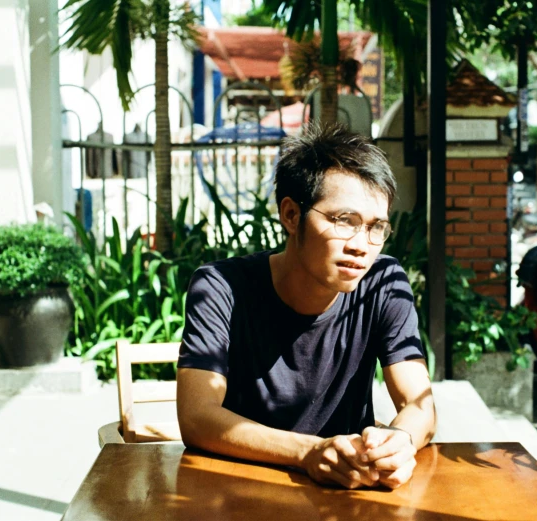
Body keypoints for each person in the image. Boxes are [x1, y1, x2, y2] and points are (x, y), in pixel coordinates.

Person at [176, 124, 436, 490]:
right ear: (291, 215)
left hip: (345, 494)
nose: (362, 245)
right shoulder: (222, 287)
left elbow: (419, 402)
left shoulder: (383, 281)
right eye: (345, 221)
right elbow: (196, 415)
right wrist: (308, 453)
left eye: (377, 227)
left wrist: (401, 442)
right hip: (240, 488)